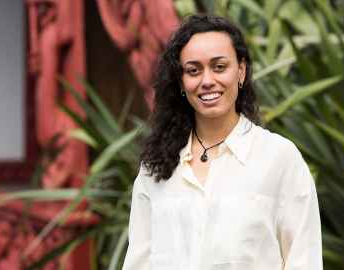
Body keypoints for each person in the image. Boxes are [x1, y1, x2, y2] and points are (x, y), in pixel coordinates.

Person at [122, 15, 322, 270]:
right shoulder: (155, 168)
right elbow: (138, 263)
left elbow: (304, 260)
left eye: (219, 67)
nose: (207, 81)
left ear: (241, 71)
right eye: (193, 70)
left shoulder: (279, 158)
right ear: (181, 82)